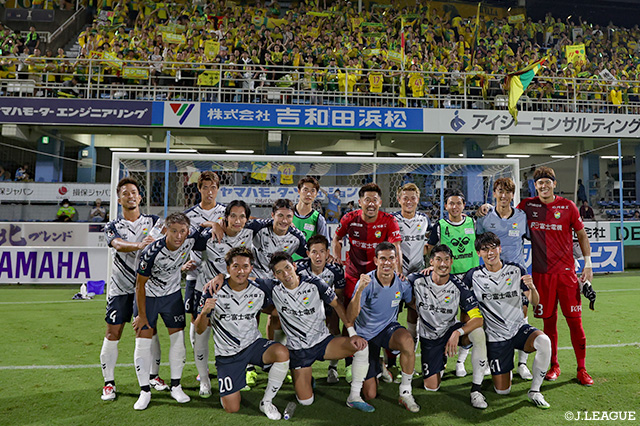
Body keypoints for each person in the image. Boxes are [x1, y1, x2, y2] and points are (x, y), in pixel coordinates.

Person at [261, 251, 374, 413]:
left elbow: (337, 305)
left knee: (361, 346)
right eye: (279, 272)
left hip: (323, 343)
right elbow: (246, 283)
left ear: (294, 266)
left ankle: (354, 397)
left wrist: (352, 333)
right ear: (275, 275)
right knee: (306, 401)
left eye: (287, 268)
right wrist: (277, 311)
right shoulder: (272, 287)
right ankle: (306, 379)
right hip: (298, 351)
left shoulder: (315, 283)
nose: (285, 274)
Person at [517, 166, 595, 386]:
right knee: (549, 324)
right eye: (540, 183)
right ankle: (554, 366)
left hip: (567, 275)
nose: (544, 186)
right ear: (535, 186)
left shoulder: (568, 206)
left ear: (554, 184)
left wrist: (588, 264)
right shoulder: (527, 206)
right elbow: (506, 215)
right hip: (542, 276)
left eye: (547, 182)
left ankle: (582, 369)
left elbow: (582, 234)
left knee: (575, 323)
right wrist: (486, 210)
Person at [194, 247, 290, 420]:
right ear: (228, 268)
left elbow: (272, 305)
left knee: (281, 352)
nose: (241, 271)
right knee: (232, 408)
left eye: (245, 266)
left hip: (253, 345)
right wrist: (205, 312)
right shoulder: (213, 290)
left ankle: (266, 402)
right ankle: (230, 385)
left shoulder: (259, 288)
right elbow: (199, 329)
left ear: (251, 268)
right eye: (236, 266)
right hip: (227, 355)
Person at [132, 212, 212, 410]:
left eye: (182, 231)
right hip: (149, 297)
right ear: (166, 230)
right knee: (143, 342)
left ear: (187, 230)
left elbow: (211, 232)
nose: (178, 236)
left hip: (172, 296)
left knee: (178, 340)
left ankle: (176, 386)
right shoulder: (152, 251)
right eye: (174, 231)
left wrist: (215, 225)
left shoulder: (191, 238)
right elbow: (140, 285)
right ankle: (144, 391)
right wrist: (141, 315)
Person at [464, 232, 552, 409]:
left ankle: (535, 391)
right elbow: (455, 289)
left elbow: (535, 302)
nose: (490, 253)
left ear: (500, 248)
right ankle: (503, 368)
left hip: (518, 329)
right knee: (502, 391)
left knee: (544, 341)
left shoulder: (516, 270)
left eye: (493, 248)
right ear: (478, 253)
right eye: (484, 249)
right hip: (495, 337)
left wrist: (532, 288)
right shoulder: (472, 276)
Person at [100, 178, 167, 402]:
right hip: (120, 288)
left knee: (149, 331)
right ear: (119, 199)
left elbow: (167, 238)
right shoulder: (112, 226)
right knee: (113, 333)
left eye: (134, 192)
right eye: (125, 193)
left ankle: (153, 376)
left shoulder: (154, 221)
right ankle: (109, 383)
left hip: (146, 289)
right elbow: (118, 245)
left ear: (140, 197)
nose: (130, 196)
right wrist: (140, 245)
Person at [408, 244, 488, 409]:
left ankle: (476, 390)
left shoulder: (459, 286)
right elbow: (398, 287)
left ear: (451, 262)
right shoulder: (416, 279)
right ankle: (441, 360)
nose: (443, 264)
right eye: (438, 259)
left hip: (450, 330)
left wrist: (458, 332)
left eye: (446, 259)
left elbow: (478, 319)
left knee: (478, 333)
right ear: (431, 262)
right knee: (431, 387)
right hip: (430, 339)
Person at [346, 242, 420, 413]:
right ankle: (379, 364)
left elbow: (412, 303)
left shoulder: (402, 283)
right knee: (370, 394)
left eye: (391, 258)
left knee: (407, 341)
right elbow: (350, 317)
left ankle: (405, 393)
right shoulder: (367, 282)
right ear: (376, 261)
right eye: (383, 258)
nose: (387, 262)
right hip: (365, 336)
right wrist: (359, 290)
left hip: (388, 329)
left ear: (396, 260)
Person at [192, 200, 254, 398]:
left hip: (234, 294)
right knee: (201, 334)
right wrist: (212, 224)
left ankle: (237, 376)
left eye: (242, 216)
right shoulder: (209, 236)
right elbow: (190, 234)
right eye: (233, 216)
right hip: (207, 290)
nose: (237, 220)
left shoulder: (250, 232)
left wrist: (224, 276)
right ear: (225, 217)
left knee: (235, 336)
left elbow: (276, 222)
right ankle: (204, 380)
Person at [475, 177, 532, 380]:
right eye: (500, 191)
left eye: (508, 192)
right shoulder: (485, 218)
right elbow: (477, 243)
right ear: (494, 194)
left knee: (522, 317)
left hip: (517, 276)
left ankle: (522, 364)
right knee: (490, 320)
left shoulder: (522, 217)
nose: (504, 195)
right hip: (491, 276)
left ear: (512, 195)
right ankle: (489, 361)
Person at [426, 188, 479, 377]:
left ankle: (460, 362)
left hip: (470, 278)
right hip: (448, 279)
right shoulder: (440, 226)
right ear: (446, 206)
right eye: (451, 203)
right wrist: (431, 266)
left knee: (467, 320)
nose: (455, 206)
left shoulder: (473, 223)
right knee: (443, 321)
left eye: (458, 203)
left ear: (464, 205)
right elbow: (430, 248)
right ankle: (440, 362)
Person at [183, 171, 226, 370]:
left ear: (218, 189)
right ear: (199, 189)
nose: (209, 191)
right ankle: (202, 368)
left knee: (222, 320)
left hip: (221, 276)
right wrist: (183, 264)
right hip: (196, 275)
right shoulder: (189, 215)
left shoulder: (226, 212)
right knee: (196, 319)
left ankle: (224, 362)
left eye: (213, 187)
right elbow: (181, 242)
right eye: (205, 187)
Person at [389, 183, 431, 379]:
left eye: (412, 197)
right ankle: (390, 363)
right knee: (391, 318)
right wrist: (397, 272)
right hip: (396, 277)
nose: (409, 201)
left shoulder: (424, 219)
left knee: (414, 316)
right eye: (405, 197)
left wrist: (429, 265)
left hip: (417, 277)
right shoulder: (392, 220)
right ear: (399, 199)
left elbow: (430, 244)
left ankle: (410, 362)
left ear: (418, 199)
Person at [296, 234, 346, 383]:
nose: (318, 256)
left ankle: (333, 368)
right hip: (303, 305)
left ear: (327, 253)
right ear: (308, 253)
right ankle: (299, 365)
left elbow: (339, 296)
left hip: (327, 303)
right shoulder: (298, 268)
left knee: (334, 326)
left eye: (322, 252)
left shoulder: (335, 270)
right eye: (314, 252)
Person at [292, 176, 330, 260]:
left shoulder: (318, 219)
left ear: (316, 194)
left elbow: (323, 246)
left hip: (307, 265)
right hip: (286, 263)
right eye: (305, 190)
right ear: (299, 191)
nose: (309, 194)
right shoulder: (287, 215)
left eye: (312, 191)